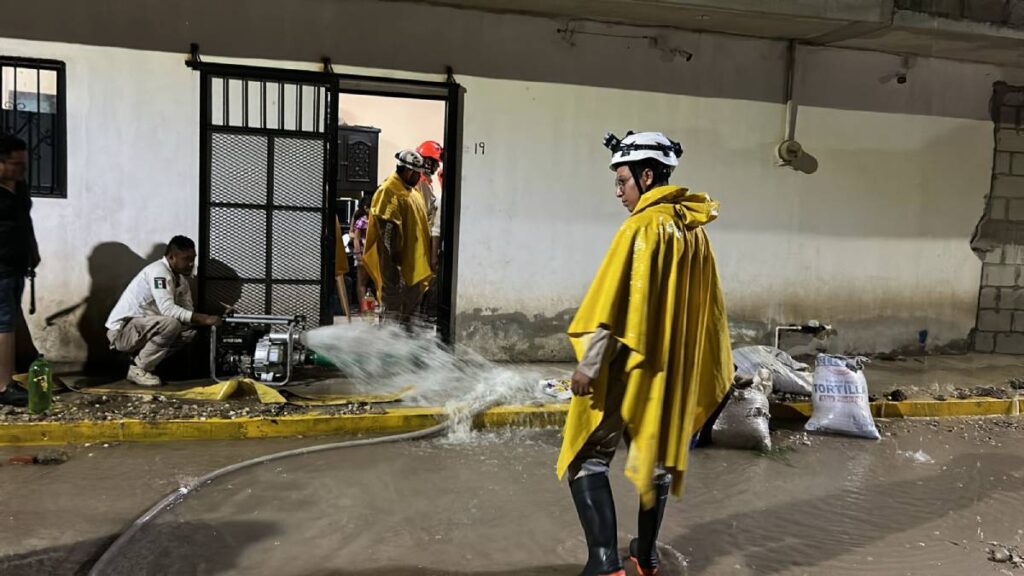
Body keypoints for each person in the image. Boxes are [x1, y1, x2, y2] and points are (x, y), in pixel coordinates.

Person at [556, 132, 733, 576]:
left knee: (587, 456)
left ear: (646, 174)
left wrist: (589, 365)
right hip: (669, 371)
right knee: (656, 454)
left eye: (622, 181)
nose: (619, 192)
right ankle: (646, 556)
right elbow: (707, 313)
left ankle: (603, 562)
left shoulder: (641, 227)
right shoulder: (692, 230)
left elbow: (615, 306)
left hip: (628, 368)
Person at [105, 236, 223, 386]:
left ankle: (140, 361)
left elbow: (187, 312)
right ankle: (138, 368)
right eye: (186, 259)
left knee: (189, 332)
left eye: (193, 259)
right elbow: (168, 310)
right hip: (121, 333)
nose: (191, 264)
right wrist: (205, 319)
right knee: (171, 324)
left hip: (141, 330)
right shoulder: (159, 271)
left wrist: (202, 321)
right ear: (172, 257)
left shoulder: (182, 281)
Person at [362, 150, 433, 327]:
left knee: (410, 305)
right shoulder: (389, 191)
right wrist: (395, 261)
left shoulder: (412, 192)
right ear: (409, 171)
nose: (419, 177)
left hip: (414, 261)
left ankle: (405, 337)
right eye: (417, 174)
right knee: (393, 304)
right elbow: (387, 228)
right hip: (397, 262)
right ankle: (389, 340)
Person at [0, 135, 38, 407]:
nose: (22, 170)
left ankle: (13, 375)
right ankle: (3, 386)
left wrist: (33, 251)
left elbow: (25, 221)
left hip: (17, 266)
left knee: (10, 320)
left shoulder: (19, 187)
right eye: (16, 164)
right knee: (3, 323)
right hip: (0, 267)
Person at [413, 140, 443, 272]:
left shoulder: (422, 181)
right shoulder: (422, 183)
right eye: (435, 163)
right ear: (427, 161)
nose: (437, 168)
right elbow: (425, 214)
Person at [350, 196, 371, 308]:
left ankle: (365, 306)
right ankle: (364, 307)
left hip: (368, 254)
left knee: (363, 282)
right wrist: (358, 255)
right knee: (362, 281)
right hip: (363, 253)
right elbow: (355, 237)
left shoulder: (371, 219)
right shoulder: (362, 220)